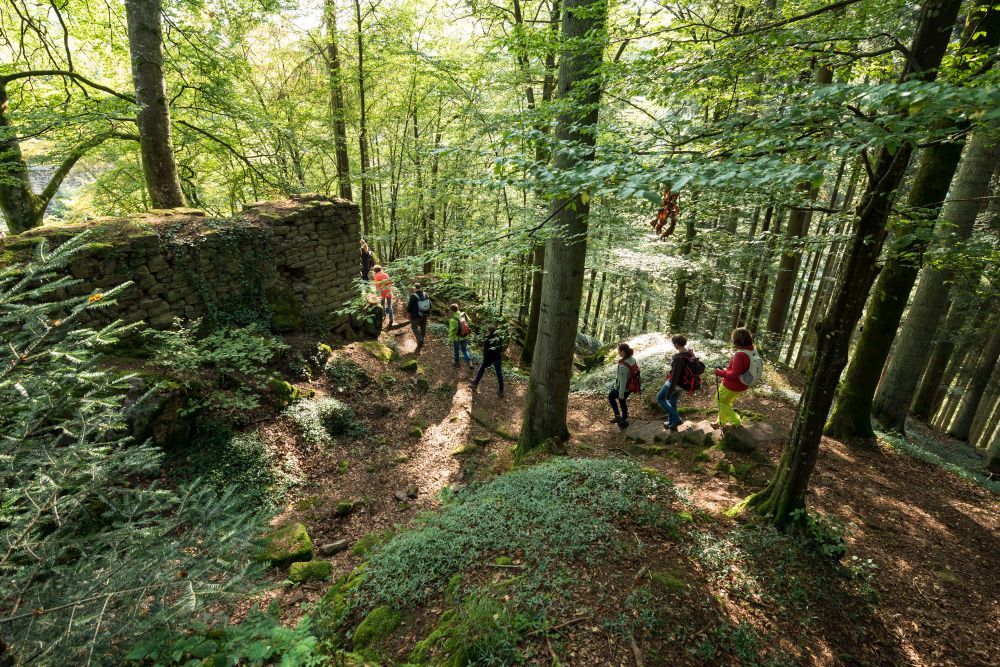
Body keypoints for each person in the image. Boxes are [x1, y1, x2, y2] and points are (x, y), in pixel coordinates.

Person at [713, 327, 759, 428]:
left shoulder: (740, 354)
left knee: (719, 400)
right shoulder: (752, 350)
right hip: (743, 384)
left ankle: (736, 421)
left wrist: (719, 372)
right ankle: (720, 422)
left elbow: (734, 375)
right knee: (726, 402)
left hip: (731, 385)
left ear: (737, 340)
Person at [657, 334, 701, 431]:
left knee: (660, 397)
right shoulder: (689, 354)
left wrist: (669, 392)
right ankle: (671, 422)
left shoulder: (679, 358)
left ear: (676, 344)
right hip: (685, 384)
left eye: (674, 343)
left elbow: (675, 377)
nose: (673, 345)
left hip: (676, 383)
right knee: (673, 402)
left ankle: (676, 418)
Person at [609, 343, 640, 429]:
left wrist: (621, 394)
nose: (618, 352)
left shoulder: (623, 366)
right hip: (631, 386)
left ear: (623, 352)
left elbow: (622, 382)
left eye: (619, 350)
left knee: (612, 397)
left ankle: (621, 418)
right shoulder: (632, 359)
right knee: (622, 403)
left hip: (624, 388)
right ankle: (623, 418)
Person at [470, 325, 505, 397]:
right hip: (497, 358)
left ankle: (475, 382)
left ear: (489, 331)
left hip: (490, 358)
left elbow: (486, 352)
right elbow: (501, 349)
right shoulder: (499, 339)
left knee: (482, 369)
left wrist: (485, 361)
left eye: (487, 330)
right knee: (499, 374)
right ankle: (501, 390)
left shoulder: (487, 340)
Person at [406, 283, 431, 351]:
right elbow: (430, 304)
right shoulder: (425, 294)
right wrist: (428, 312)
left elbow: (409, 306)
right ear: (420, 287)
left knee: (414, 327)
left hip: (416, 315)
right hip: (425, 314)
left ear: (414, 288)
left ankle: (420, 339)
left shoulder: (413, 296)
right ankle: (421, 341)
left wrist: (408, 313)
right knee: (423, 328)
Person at [448, 304, 473, 370]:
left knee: (456, 350)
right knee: (464, 350)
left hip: (457, 338)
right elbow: (470, 322)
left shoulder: (452, 320)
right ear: (458, 308)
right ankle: (469, 362)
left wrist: (449, 340)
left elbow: (452, 331)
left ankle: (457, 364)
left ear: (452, 311)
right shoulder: (464, 314)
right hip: (465, 336)